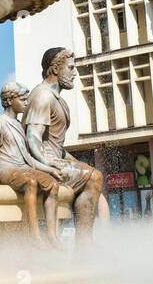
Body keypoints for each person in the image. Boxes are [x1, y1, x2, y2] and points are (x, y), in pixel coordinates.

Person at [24, 48, 103, 238]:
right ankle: (84, 245)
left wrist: (74, 160)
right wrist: (47, 161)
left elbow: (55, 144)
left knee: (92, 173)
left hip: (54, 159)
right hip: (42, 163)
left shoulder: (58, 100)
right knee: (94, 177)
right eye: (71, 68)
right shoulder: (42, 95)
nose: (74, 73)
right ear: (55, 69)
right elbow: (33, 136)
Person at [0, 80, 62, 245]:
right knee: (31, 182)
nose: (26, 102)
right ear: (9, 101)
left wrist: (50, 170)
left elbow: (28, 159)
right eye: (22, 99)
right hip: (3, 169)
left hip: (21, 168)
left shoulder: (18, 125)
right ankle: (34, 235)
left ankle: (52, 235)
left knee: (53, 185)